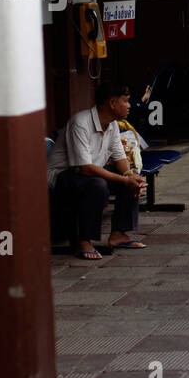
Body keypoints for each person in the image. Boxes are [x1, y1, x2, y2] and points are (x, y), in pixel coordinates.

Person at [47, 81, 148, 260]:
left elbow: (119, 157)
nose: (129, 105)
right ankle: (84, 241)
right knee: (98, 185)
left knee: (130, 180)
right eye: (125, 101)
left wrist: (130, 176)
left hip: (89, 173)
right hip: (62, 177)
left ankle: (118, 234)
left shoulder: (113, 124)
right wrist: (124, 179)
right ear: (112, 103)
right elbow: (85, 168)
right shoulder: (80, 123)